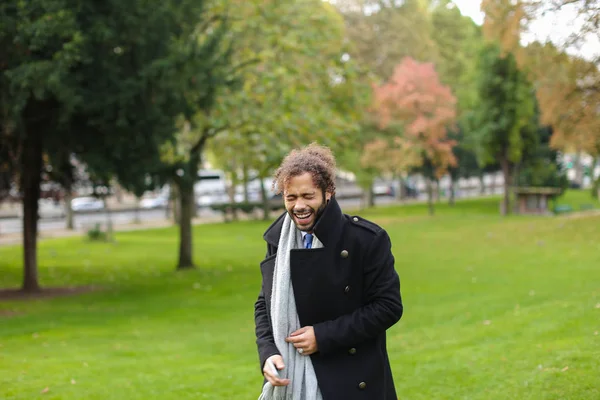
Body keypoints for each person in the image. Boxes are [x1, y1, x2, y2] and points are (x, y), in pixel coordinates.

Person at [254, 143, 403, 400]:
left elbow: (388, 307)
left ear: (328, 193)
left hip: (353, 378)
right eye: (291, 197)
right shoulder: (278, 239)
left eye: (307, 196)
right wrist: (268, 353)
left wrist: (322, 336)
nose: (299, 206)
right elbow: (263, 304)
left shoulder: (366, 239)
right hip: (292, 379)